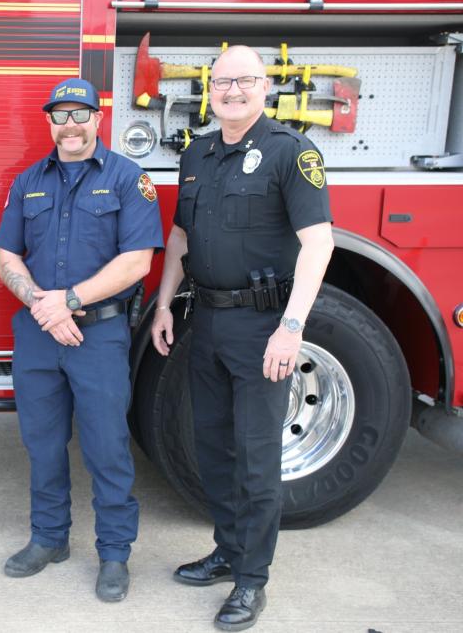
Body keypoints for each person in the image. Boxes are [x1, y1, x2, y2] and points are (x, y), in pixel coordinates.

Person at [150, 46, 334, 631]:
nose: (233, 91)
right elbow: (180, 237)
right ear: (210, 88)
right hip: (205, 322)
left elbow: (318, 243)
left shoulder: (291, 152)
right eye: (223, 81)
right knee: (214, 450)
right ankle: (228, 551)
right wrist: (163, 305)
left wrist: (291, 327)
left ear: (265, 87)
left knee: (257, 460)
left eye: (245, 80)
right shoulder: (198, 153)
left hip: (263, 328)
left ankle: (253, 580)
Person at [0, 77, 164, 602]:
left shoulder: (127, 179)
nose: (70, 125)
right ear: (50, 123)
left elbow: (137, 261)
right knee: (42, 445)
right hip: (40, 335)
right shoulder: (27, 182)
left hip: (99, 335)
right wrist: (42, 307)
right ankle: (49, 539)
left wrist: (67, 300)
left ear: (97, 119)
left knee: (106, 448)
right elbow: (6, 256)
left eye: (80, 114)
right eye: (60, 116)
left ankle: (114, 554)